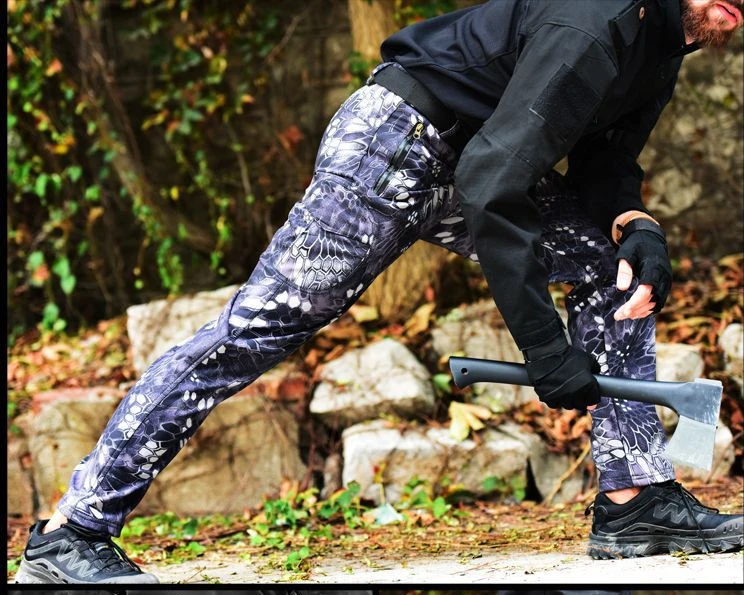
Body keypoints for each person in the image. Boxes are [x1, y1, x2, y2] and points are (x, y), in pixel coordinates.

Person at [15, 0, 744, 584]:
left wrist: (635, 226)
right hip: (394, 142)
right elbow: (494, 185)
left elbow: (603, 166)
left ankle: (633, 500)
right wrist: (547, 351)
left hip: (472, 155)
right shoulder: (596, 21)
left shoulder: (660, 48)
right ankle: (72, 532)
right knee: (257, 329)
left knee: (609, 266)